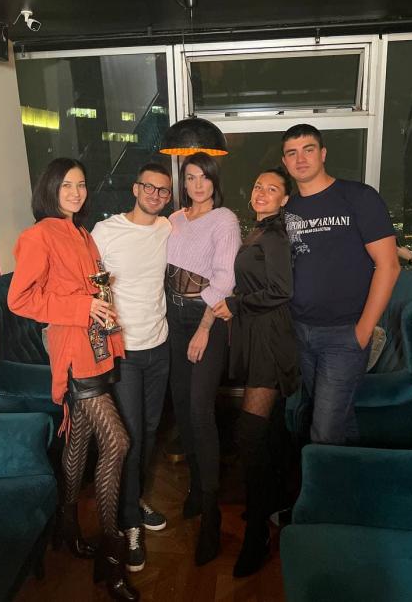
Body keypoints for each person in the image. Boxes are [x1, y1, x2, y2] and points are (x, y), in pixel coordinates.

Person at [7, 157, 139, 602]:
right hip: (73, 352)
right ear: (50, 188)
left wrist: (100, 301)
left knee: (79, 441)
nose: (76, 192)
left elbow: (86, 289)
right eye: (66, 185)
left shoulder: (81, 233)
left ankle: (66, 527)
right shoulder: (38, 235)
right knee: (118, 443)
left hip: (96, 347)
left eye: (81, 184)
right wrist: (82, 306)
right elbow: (20, 299)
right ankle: (111, 556)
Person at [282, 124, 400, 445]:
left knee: (324, 431)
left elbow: (389, 266)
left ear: (323, 154)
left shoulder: (358, 197)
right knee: (338, 417)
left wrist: (362, 331)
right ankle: (354, 470)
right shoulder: (289, 209)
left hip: (344, 334)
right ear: (285, 161)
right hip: (301, 331)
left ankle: (323, 478)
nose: (300, 159)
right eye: (292, 153)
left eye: (308, 150)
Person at [213, 166, 298, 578]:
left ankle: (258, 533)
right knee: (269, 432)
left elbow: (282, 290)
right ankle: (275, 502)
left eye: (273, 188)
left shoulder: (276, 235)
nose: (262, 192)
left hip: (269, 338)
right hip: (256, 333)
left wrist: (237, 303)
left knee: (249, 434)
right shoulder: (259, 231)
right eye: (259, 186)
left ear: (285, 199)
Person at [92, 162, 172, 574]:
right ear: (136, 189)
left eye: (163, 191)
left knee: (151, 430)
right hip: (123, 349)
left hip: (160, 344)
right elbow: (86, 280)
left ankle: (134, 497)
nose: (155, 195)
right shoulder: (106, 231)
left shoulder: (167, 228)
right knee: (132, 436)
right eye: (149, 187)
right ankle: (128, 522)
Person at [166, 152, 242, 566]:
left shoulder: (224, 219)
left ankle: (211, 515)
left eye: (203, 177)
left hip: (204, 317)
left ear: (214, 180)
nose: (197, 184)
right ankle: (196, 486)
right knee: (181, 407)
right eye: (190, 177)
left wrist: (204, 327)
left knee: (199, 410)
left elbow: (226, 279)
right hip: (171, 315)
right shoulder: (175, 218)